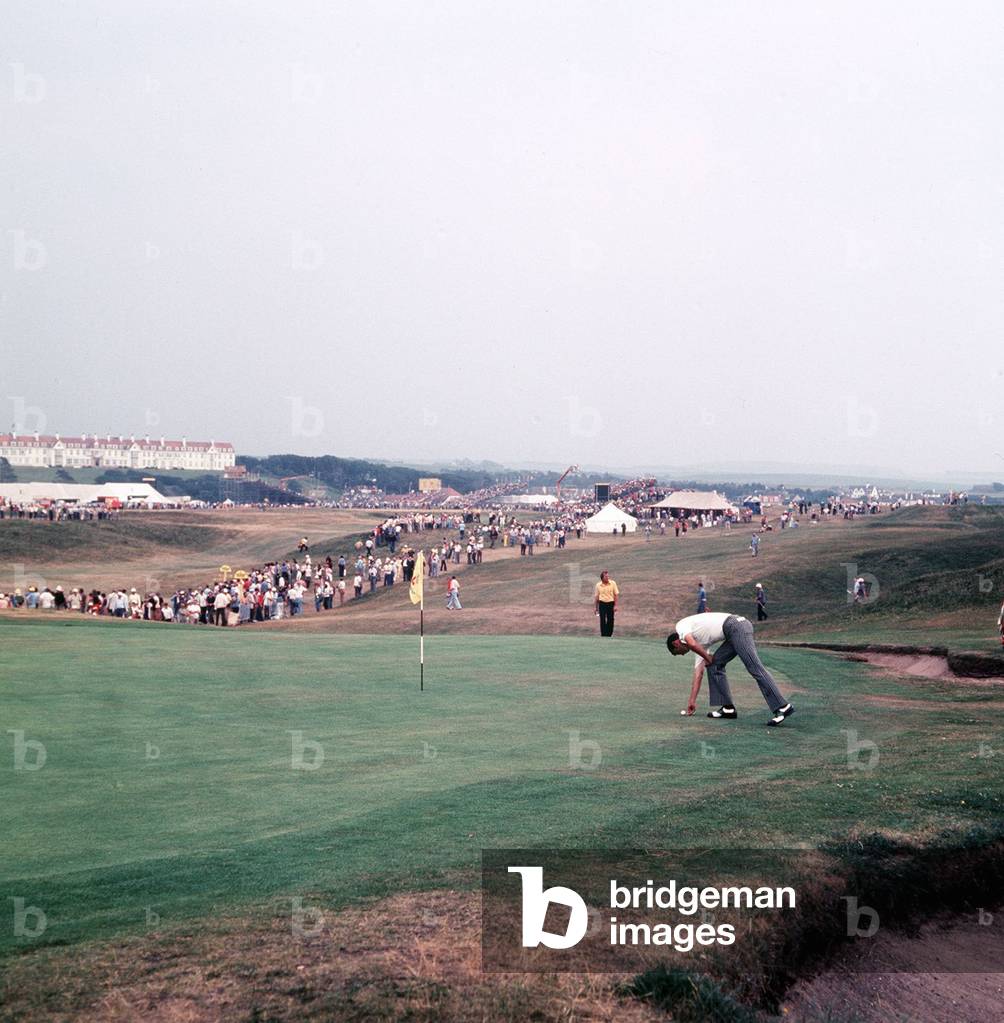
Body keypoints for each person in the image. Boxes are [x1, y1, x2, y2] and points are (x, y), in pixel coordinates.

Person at [666, 611, 795, 726]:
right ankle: (728, 708)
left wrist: (707, 657)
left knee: (755, 668)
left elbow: (692, 643)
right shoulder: (699, 644)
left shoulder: (681, 627)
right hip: (733, 631)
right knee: (714, 664)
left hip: (737, 626)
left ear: (675, 643)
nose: (682, 654)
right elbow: (698, 674)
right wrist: (692, 701)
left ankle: (783, 707)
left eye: (678, 652)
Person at [594, 570, 619, 637]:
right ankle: (603, 635)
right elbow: (596, 597)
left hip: (611, 603)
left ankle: (609, 635)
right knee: (602, 619)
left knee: (610, 619)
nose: (608, 578)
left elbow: (616, 595)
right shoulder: (598, 585)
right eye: (606, 577)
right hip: (602, 604)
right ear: (602, 578)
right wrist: (596, 608)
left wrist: (615, 605)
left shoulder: (613, 583)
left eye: (608, 576)